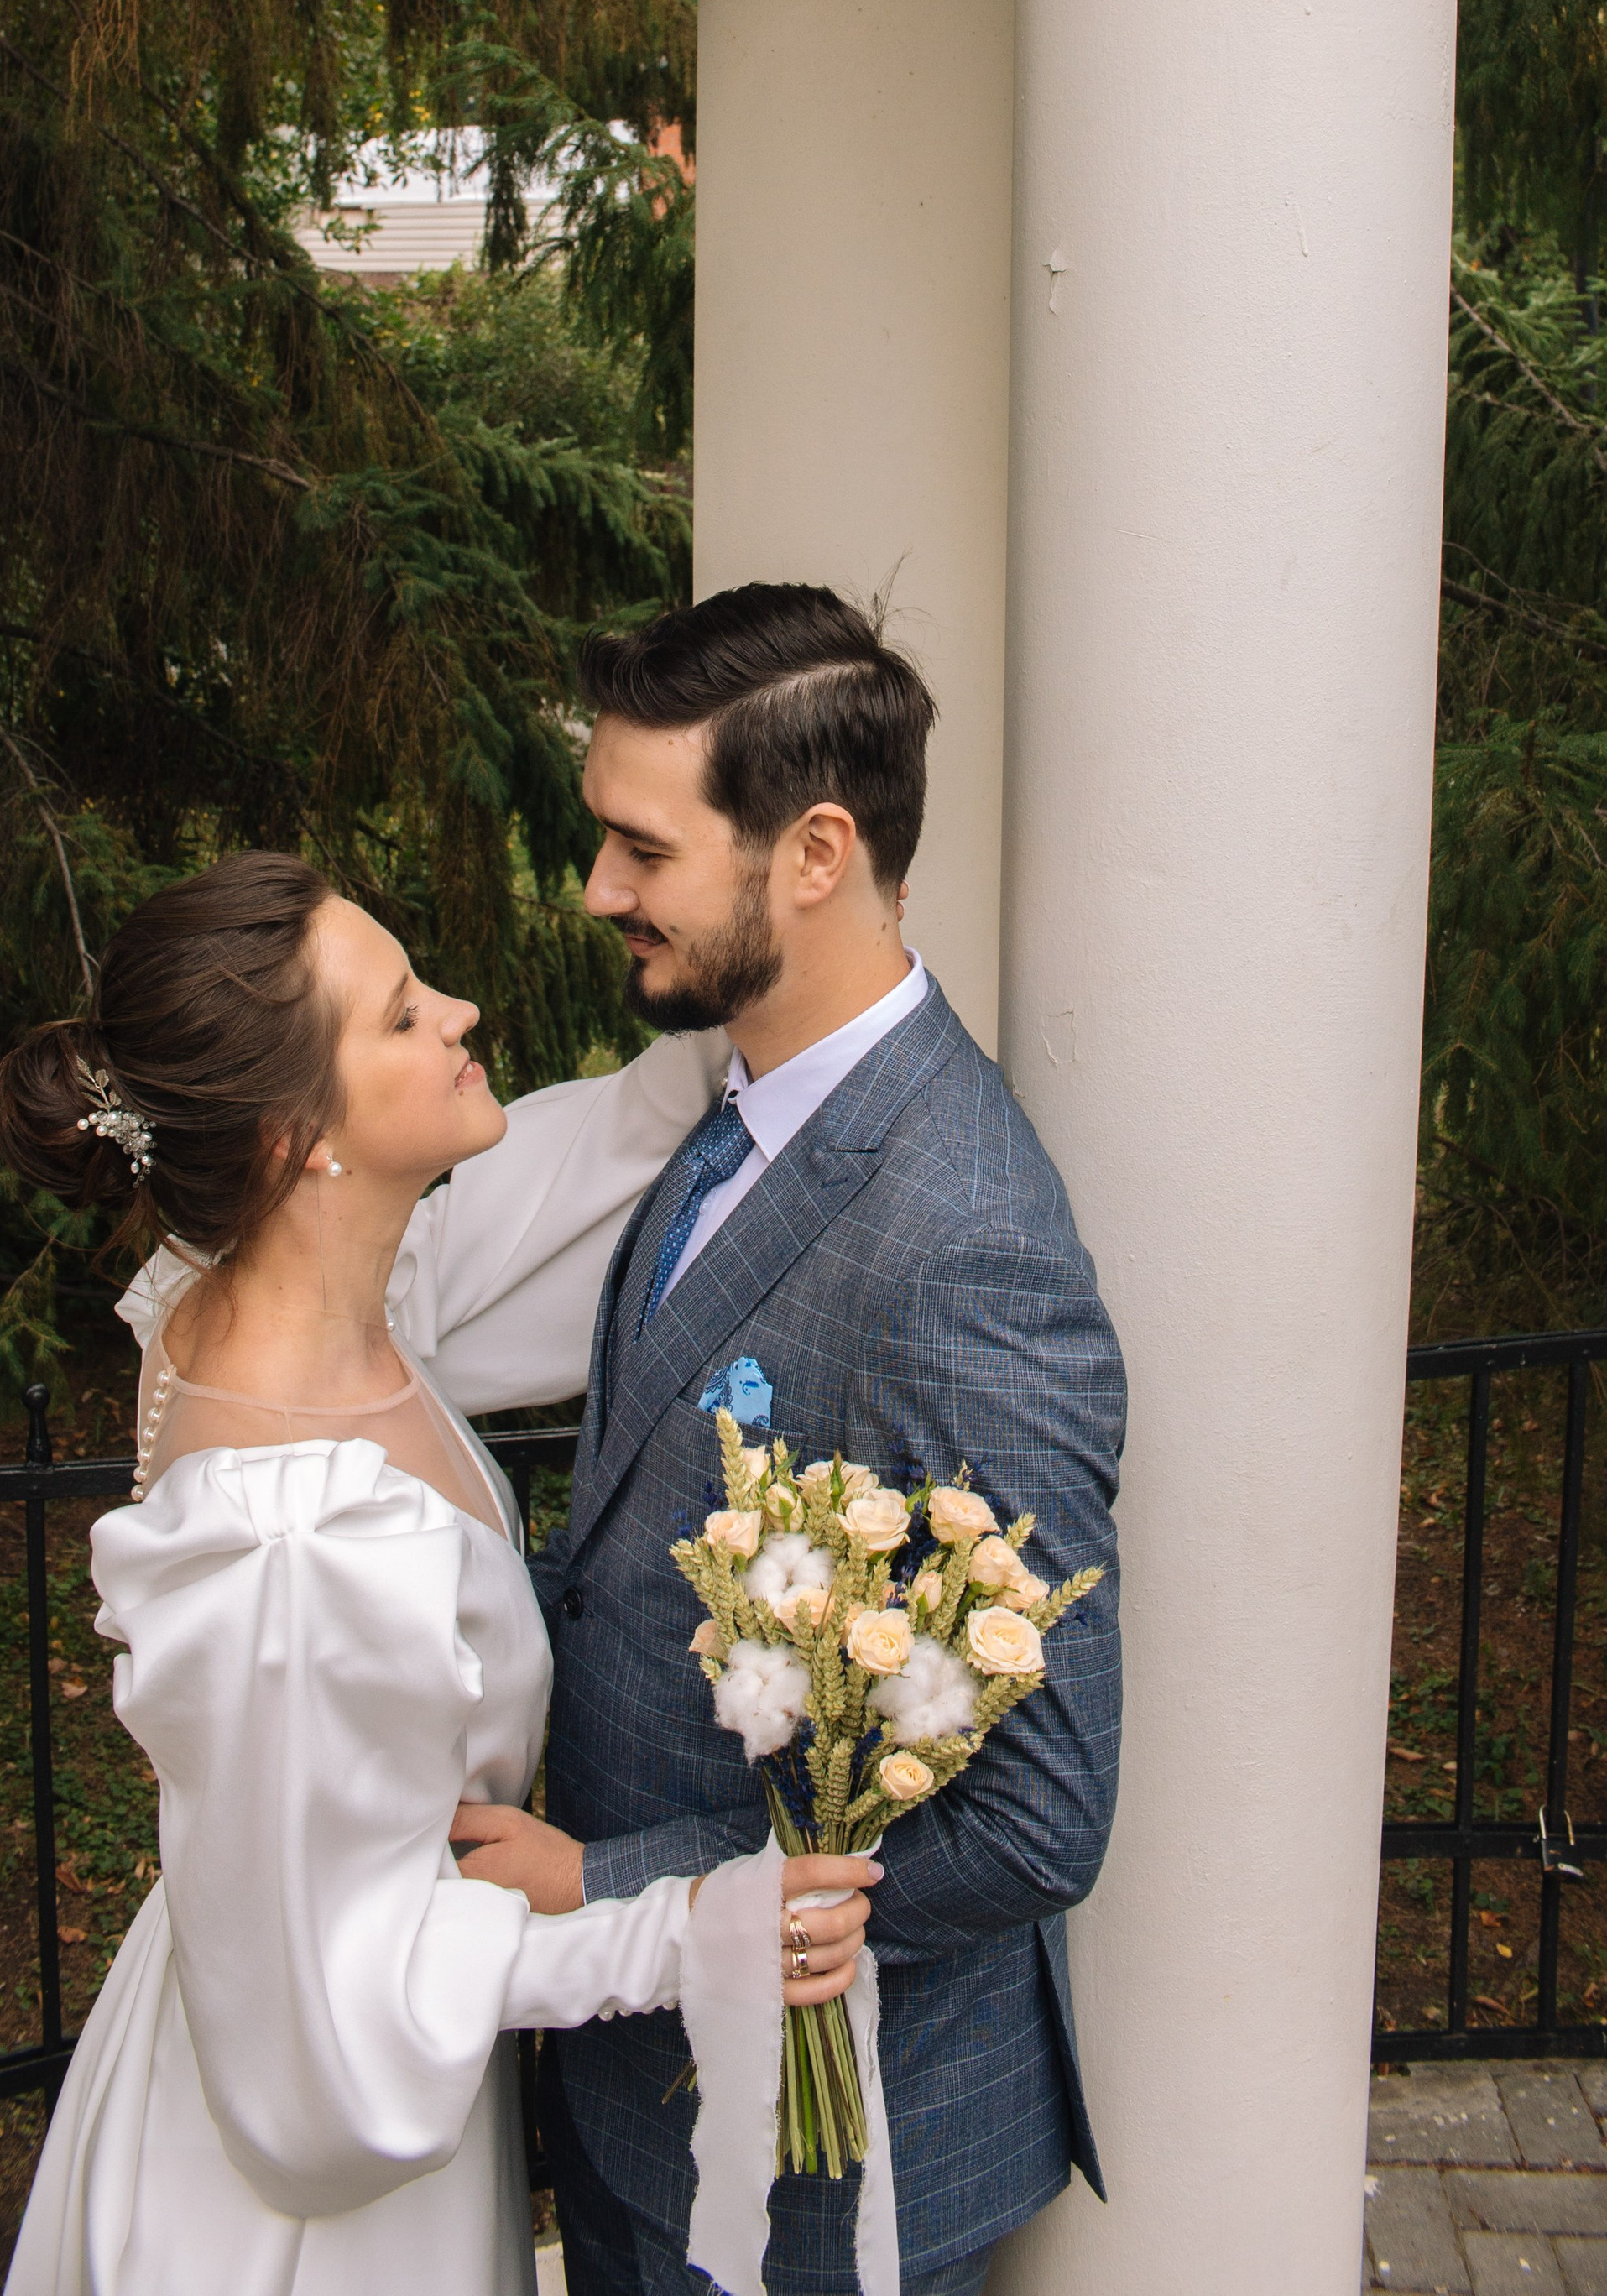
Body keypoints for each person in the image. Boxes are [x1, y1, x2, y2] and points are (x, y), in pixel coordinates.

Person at [0, 850, 876, 2296]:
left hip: (270, 1954)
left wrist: (752, 893)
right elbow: (354, 1988)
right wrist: (682, 1932)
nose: (462, 1011)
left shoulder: (322, 1292)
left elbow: (607, 1145)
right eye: (403, 1015)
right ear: (294, 1139)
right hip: (309, 2163)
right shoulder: (293, 1542)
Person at [452, 585, 1127, 2296]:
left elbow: (1033, 1827)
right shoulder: (729, 1094)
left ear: (811, 851)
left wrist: (610, 1884)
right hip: (638, 2096)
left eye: (640, 850)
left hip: (826, 2171)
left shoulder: (962, 1241)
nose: (597, 889)